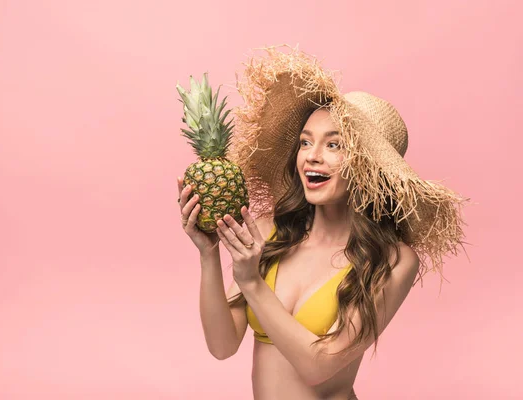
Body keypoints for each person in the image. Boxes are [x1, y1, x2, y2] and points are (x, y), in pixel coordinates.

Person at [176, 45, 467, 399]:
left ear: (368, 168)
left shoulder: (393, 259)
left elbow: (319, 367)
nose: (312, 157)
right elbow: (223, 346)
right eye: (305, 142)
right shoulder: (271, 230)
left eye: (334, 145)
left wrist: (252, 282)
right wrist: (209, 254)